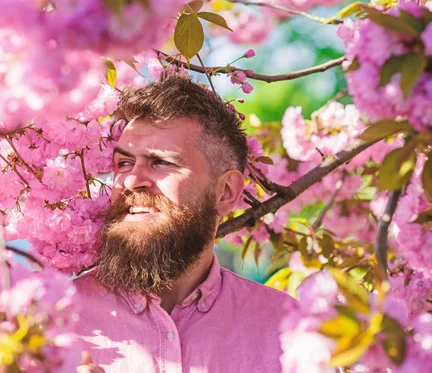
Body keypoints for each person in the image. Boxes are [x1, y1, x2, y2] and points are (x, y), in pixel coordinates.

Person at [75, 72, 291, 373]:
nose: (131, 180)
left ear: (226, 192)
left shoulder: (289, 331)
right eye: (124, 163)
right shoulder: (48, 320)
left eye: (161, 162)